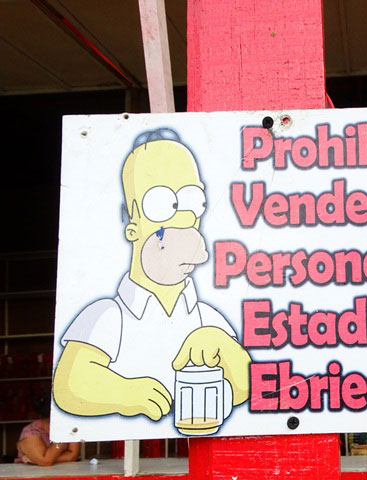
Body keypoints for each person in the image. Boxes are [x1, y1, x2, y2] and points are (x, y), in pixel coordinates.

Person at [52, 129, 250, 430]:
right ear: (130, 221)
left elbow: (249, 386)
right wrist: (126, 392)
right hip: (130, 448)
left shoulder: (206, 317)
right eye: (161, 203)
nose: (182, 218)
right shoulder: (109, 315)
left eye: (192, 201)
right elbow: (70, 383)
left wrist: (224, 347)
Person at [15, 395, 80, 466]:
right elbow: (46, 461)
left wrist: (36, 461)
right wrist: (61, 436)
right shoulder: (31, 432)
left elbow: (72, 455)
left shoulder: (70, 427)